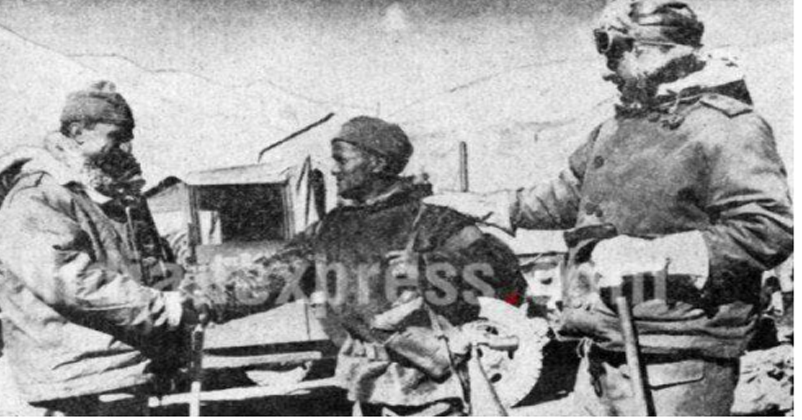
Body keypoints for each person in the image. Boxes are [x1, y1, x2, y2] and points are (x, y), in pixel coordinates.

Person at [424, 0, 793, 416]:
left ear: (649, 50)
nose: (607, 69)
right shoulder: (615, 128)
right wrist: (484, 205)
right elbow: (564, 196)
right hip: (603, 345)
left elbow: (767, 228)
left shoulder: (728, 126)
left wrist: (655, 258)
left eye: (615, 54)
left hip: (674, 358)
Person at [198, 116, 527, 416]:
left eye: (342, 159)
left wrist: (432, 268)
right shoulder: (329, 230)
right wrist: (202, 302)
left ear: (378, 163)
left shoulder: (433, 219)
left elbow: (503, 272)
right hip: (368, 391)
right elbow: (272, 276)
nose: (334, 169)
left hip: (436, 393)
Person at [0, 81, 202, 415]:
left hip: (114, 369)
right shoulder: (38, 196)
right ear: (78, 132)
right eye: (116, 137)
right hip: (83, 375)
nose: (126, 150)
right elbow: (70, 281)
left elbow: (142, 266)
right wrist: (165, 308)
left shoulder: (104, 195)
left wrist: (181, 285)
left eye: (129, 139)